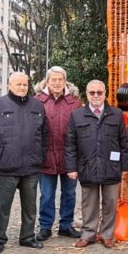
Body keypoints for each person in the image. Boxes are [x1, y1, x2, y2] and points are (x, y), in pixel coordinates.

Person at [0, 72, 49, 253]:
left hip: (31, 167)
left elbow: (44, 135)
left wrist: (39, 156)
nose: (22, 87)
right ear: (9, 85)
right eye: (18, 84)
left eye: (25, 84)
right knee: (1, 206)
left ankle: (27, 237)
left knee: (30, 206)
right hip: (6, 166)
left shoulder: (38, 106)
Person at [65, 80, 128, 248]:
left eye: (99, 92)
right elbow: (70, 144)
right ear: (86, 94)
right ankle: (88, 234)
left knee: (110, 202)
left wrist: (125, 167)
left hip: (111, 166)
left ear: (105, 94)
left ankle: (107, 235)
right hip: (87, 166)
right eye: (92, 92)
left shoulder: (116, 115)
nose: (96, 96)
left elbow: (124, 142)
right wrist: (71, 167)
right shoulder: (77, 115)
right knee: (89, 203)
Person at [34, 67, 83, 241]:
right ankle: (45, 226)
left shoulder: (74, 102)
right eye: (53, 79)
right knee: (46, 194)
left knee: (69, 193)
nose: (56, 83)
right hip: (46, 156)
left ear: (65, 81)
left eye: (60, 79)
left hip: (69, 156)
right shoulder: (37, 101)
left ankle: (65, 225)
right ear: (47, 81)